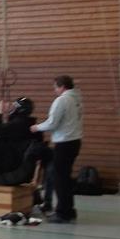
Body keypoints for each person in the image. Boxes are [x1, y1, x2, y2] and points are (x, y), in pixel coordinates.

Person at [31, 76, 83, 223]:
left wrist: (36, 127)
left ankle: (62, 213)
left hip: (64, 143)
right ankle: (69, 210)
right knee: (65, 177)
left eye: (55, 87)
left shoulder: (62, 100)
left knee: (60, 179)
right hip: (75, 141)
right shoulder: (77, 99)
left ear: (62, 87)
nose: (55, 90)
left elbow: (52, 123)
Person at [0, 98, 48, 187]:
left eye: (13, 106)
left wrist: (0, 112)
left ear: (18, 109)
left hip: (10, 170)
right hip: (26, 172)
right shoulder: (33, 126)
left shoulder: (18, 124)